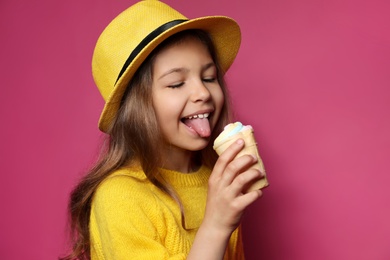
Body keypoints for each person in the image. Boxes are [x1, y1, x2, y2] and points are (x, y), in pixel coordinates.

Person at [62, 0, 264, 259]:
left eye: (209, 78)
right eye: (177, 83)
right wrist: (216, 225)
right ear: (136, 108)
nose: (202, 93)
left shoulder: (214, 182)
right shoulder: (119, 197)